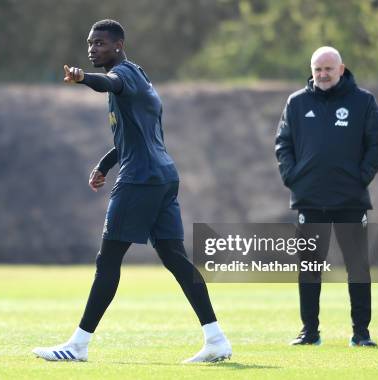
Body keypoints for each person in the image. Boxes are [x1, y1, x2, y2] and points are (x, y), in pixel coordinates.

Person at [32, 19, 232, 363]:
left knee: (107, 261)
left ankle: (77, 346)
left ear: (118, 46)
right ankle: (216, 339)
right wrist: (105, 165)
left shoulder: (123, 76)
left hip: (140, 180)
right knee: (174, 258)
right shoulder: (140, 78)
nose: (93, 48)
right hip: (163, 176)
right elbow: (136, 138)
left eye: (100, 43)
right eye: (90, 43)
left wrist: (83, 79)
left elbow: (107, 83)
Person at [275, 46, 378, 347]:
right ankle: (309, 332)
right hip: (309, 201)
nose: (323, 74)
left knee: (357, 267)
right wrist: (293, 178)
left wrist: (360, 177)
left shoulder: (363, 101)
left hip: (351, 201)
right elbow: (282, 144)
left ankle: (361, 333)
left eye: (328, 68)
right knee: (310, 268)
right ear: (312, 71)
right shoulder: (297, 103)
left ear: (341, 69)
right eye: (318, 69)